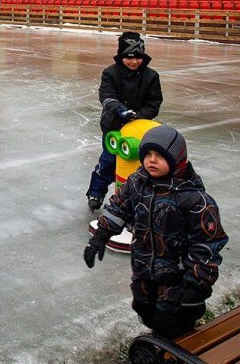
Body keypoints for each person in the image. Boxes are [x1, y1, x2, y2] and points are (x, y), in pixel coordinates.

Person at [84, 125, 228, 340]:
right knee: (146, 311)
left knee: (175, 326)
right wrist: (100, 237)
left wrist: (195, 287)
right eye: (148, 154)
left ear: (176, 159)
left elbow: (206, 246)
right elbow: (117, 209)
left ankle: (174, 348)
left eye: (159, 155)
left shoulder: (194, 200)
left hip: (178, 282)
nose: (151, 160)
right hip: (144, 272)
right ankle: (159, 339)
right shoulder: (136, 183)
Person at [87, 31, 163, 212]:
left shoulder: (151, 76)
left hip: (138, 130)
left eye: (138, 57)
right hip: (114, 127)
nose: (134, 61)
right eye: (129, 58)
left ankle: (136, 199)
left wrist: (137, 115)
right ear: (121, 56)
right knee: (109, 160)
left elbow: (154, 103)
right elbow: (106, 96)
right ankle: (96, 192)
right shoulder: (110, 73)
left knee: (136, 165)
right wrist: (120, 111)